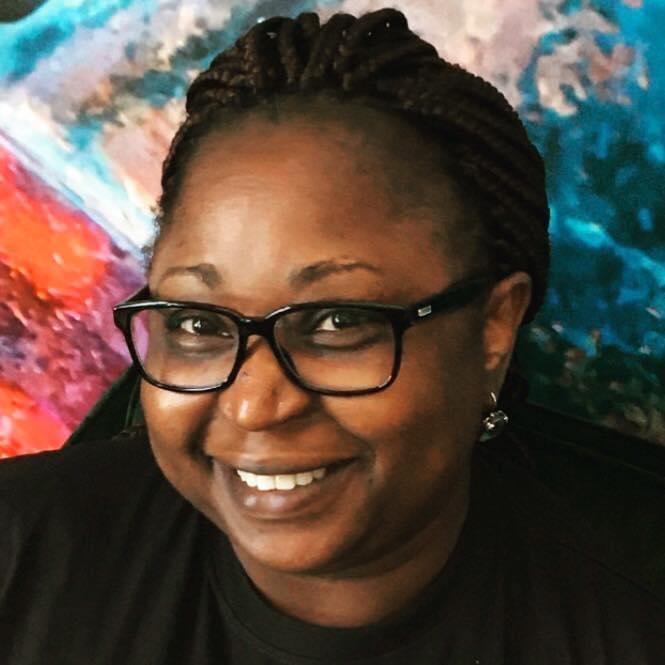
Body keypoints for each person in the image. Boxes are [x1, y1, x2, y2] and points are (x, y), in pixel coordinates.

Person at [1, 8, 663, 664]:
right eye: (199, 323)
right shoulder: (22, 555)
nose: (254, 404)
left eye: (338, 321)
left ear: (492, 328)